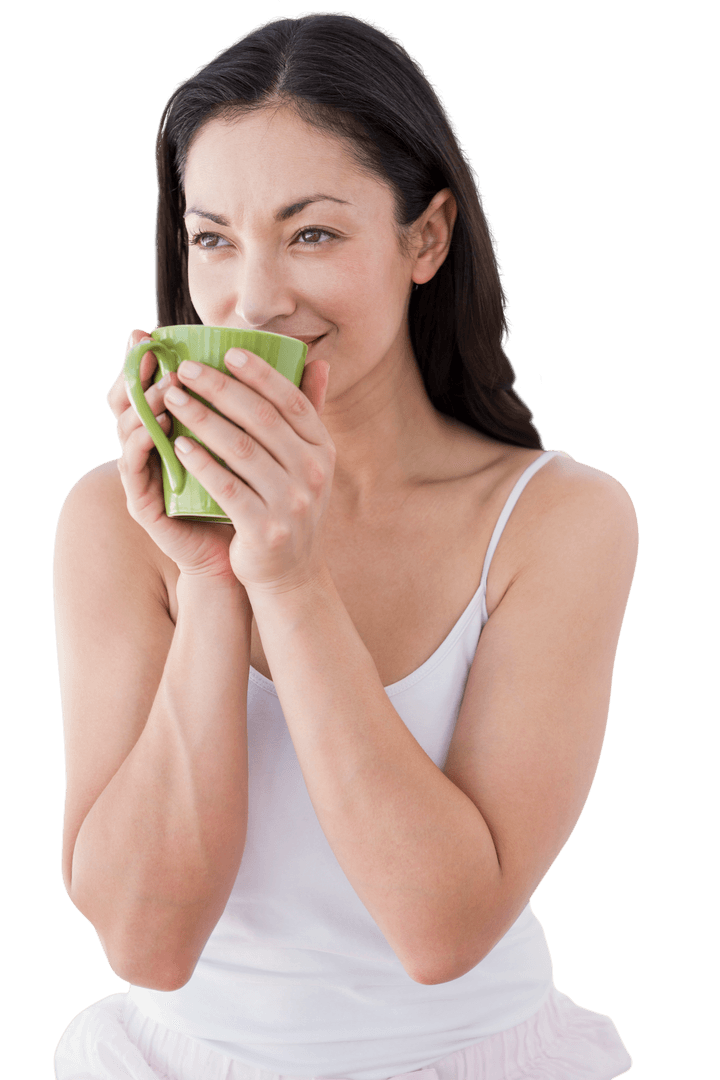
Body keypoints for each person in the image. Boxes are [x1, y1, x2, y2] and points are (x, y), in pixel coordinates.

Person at [52, 11, 638, 1080]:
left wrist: (290, 573)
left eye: (312, 233)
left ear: (427, 237)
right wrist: (214, 573)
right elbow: (147, 943)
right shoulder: (112, 521)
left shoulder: (560, 520)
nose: (253, 298)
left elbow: (443, 931)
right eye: (213, 237)